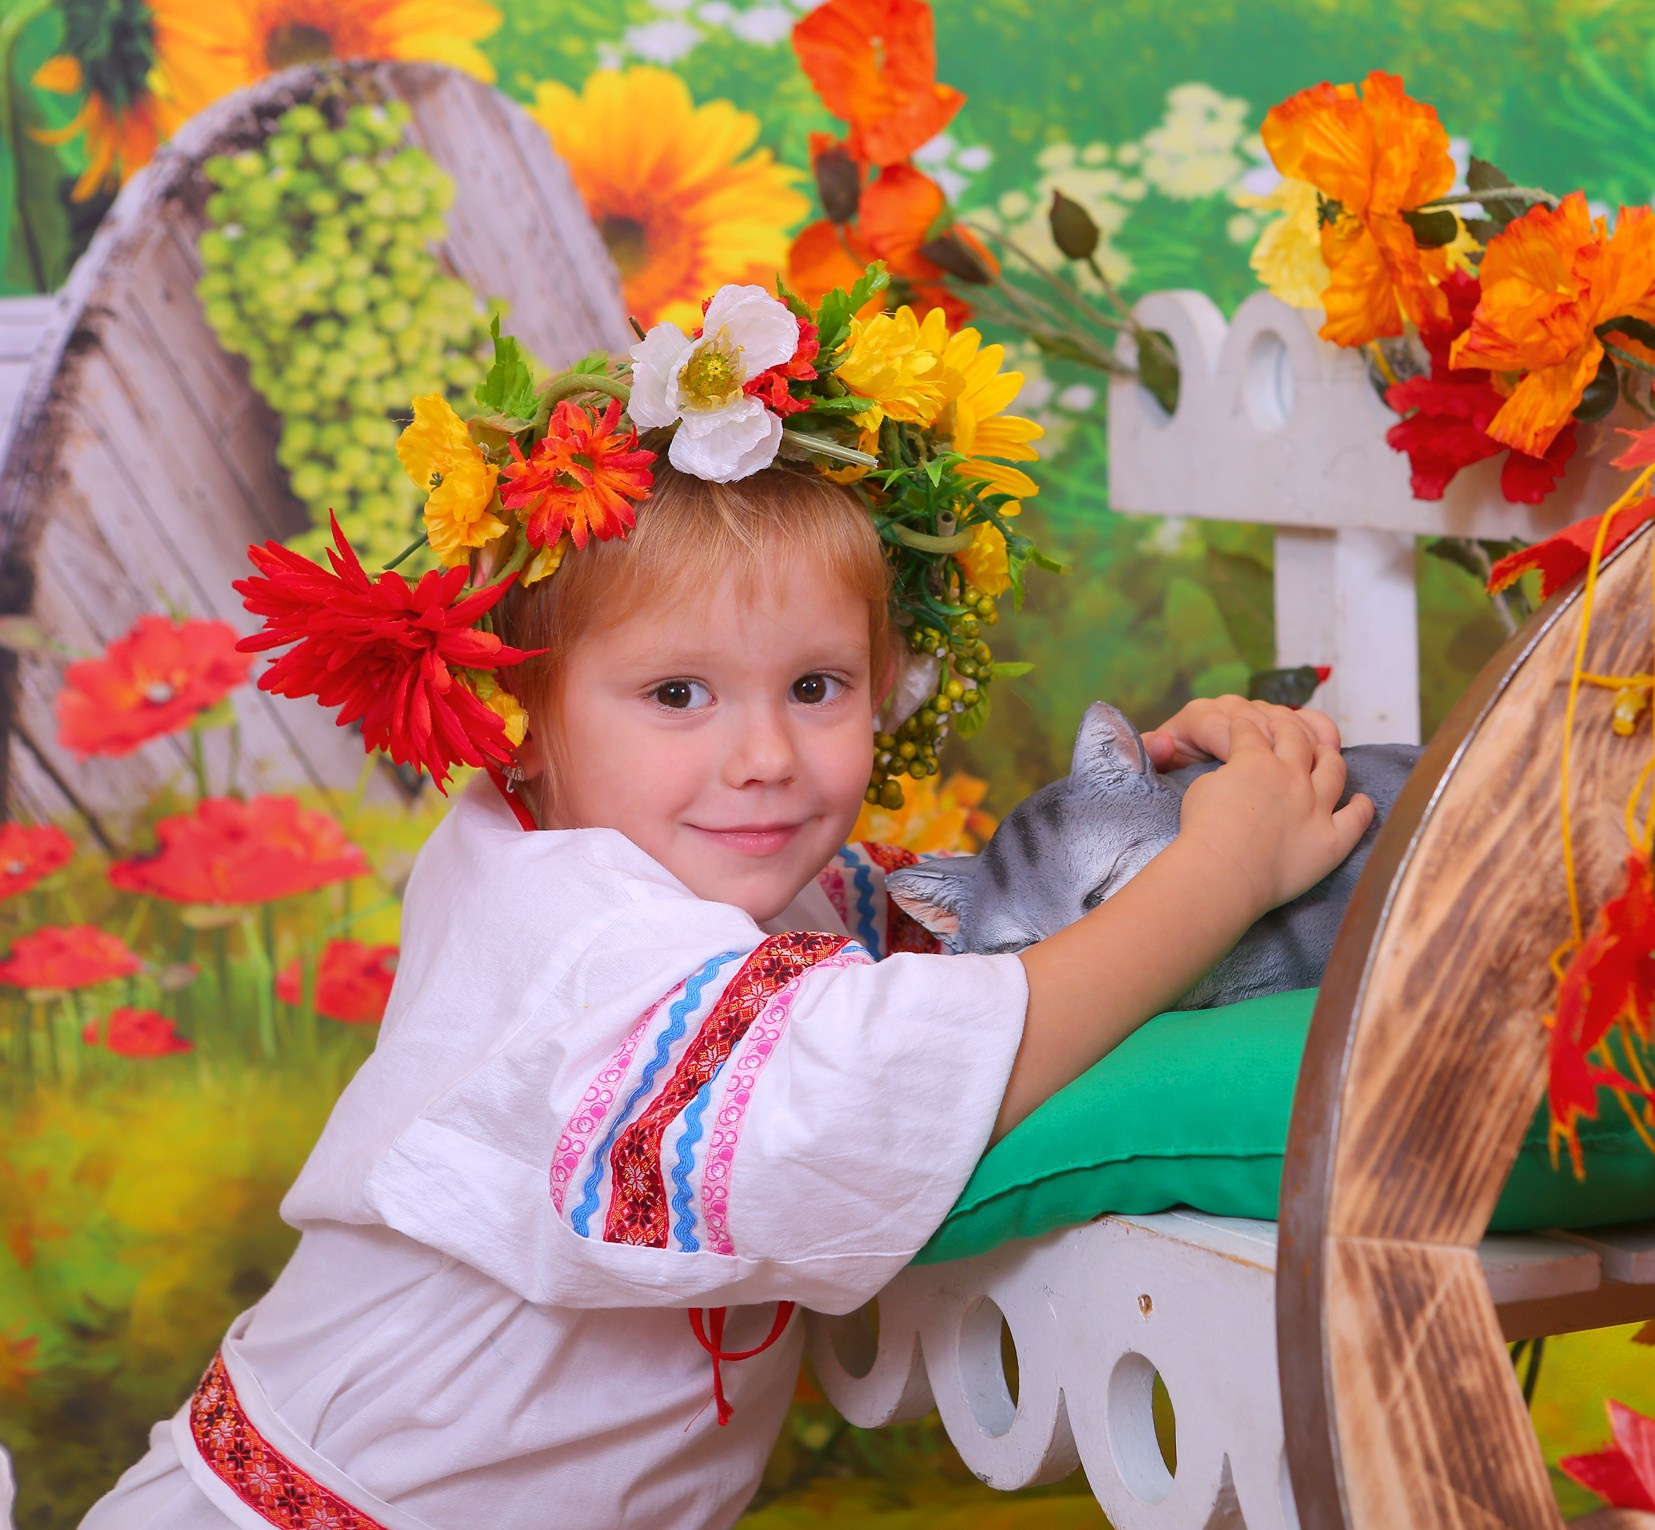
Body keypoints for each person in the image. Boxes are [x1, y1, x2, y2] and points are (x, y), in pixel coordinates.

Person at [81, 287, 1373, 1529]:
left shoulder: (655, 847)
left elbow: (925, 947)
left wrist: (1136, 811)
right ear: (517, 720)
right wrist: (1215, 880)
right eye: (679, 695)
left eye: (817, 685)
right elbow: (857, 1081)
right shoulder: (580, 942)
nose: (764, 754)